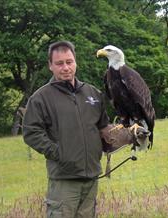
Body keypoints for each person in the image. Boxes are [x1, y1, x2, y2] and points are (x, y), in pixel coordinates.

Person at [22, 41, 140, 218]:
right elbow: (31, 132)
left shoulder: (92, 93)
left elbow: (103, 128)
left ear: (75, 62)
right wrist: (58, 153)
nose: (65, 68)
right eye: (59, 63)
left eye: (69, 62)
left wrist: (129, 134)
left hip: (91, 175)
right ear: (50, 66)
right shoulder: (41, 98)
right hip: (64, 179)